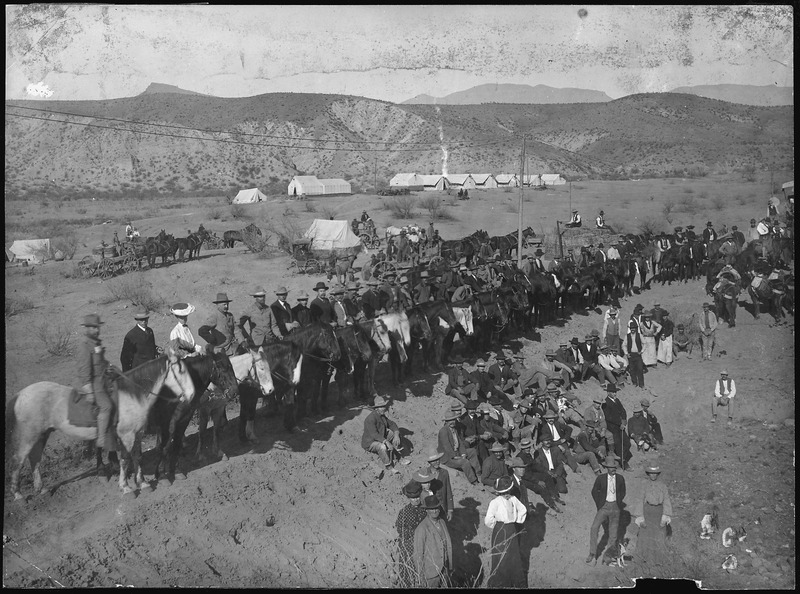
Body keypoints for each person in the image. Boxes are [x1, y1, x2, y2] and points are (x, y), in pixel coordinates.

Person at [77, 313, 115, 456]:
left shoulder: (96, 343)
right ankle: (100, 441)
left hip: (104, 380)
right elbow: (84, 370)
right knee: (106, 406)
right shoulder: (84, 346)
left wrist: (110, 366)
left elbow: (101, 363)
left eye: (97, 327)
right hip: (94, 384)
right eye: (92, 328)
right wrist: (89, 390)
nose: (96, 330)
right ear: (86, 328)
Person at [485, 475, 527, 588]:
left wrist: (517, 520)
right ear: (499, 493)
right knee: (500, 558)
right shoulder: (495, 502)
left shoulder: (513, 499)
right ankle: (499, 584)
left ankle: (514, 583)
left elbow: (523, 509)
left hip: (511, 530)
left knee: (513, 557)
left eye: (508, 491)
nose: (506, 494)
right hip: (500, 532)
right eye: (504, 493)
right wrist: (498, 526)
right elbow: (488, 519)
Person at [587, 456, 627, 565]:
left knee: (613, 533)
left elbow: (623, 492)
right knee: (594, 528)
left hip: (615, 508)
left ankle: (608, 556)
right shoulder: (600, 478)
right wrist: (600, 505)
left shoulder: (620, 478)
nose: (613, 469)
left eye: (615, 467)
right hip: (604, 507)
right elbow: (594, 492)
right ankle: (592, 553)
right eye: (611, 467)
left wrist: (618, 502)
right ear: (606, 468)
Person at [633, 466, 672, 566]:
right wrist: (640, 517)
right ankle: (642, 559)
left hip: (659, 512)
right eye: (651, 473)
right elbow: (639, 500)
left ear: (658, 474)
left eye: (655, 473)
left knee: (659, 535)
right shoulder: (644, 485)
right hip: (647, 512)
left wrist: (665, 516)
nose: (653, 475)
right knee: (645, 535)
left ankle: (659, 561)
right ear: (648, 474)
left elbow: (666, 500)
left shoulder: (663, 486)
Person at [413, 495, 453, 588]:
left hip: (444, 569)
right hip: (430, 573)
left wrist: (449, 565)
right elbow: (418, 553)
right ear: (426, 510)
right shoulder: (422, 528)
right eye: (431, 509)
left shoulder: (442, 522)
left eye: (436, 508)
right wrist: (420, 576)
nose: (434, 511)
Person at [361, 396, 405, 476]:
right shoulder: (370, 419)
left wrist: (396, 434)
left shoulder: (382, 416)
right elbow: (374, 434)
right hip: (370, 442)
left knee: (393, 433)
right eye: (381, 407)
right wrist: (386, 442)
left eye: (384, 406)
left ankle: (399, 457)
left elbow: (392, 424)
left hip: (380, 437)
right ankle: (389, 467)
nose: (383, 408)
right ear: (376, 408)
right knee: (382, 447)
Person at [395, 481, 428, 587]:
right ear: (409, 498)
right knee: (408, 569)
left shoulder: (426, 510)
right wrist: (415, 534)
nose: (416, 500)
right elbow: (400, 529)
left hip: (425, 544)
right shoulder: (404, 512)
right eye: (413, 498)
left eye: (417, 497)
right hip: (408, 545)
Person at [438, 410, 480, 485]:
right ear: (446, 421)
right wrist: (455, 456)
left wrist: (463, 453)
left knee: (472, 451)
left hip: (457, 452)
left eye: (453, 420)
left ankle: (478, 473)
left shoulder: (454, 429)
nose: (452, 422)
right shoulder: (443, 431)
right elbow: (446, 446)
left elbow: (460, 442)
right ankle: (473, 480)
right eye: (450, 420)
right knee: (464, 462)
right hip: (448, 458)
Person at [602, 383, 630, 469]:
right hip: (613, 427)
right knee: (618, 445)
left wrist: (624, 421)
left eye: (615, 392)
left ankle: (621, 459)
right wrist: (620, 423)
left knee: (627, 443)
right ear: (608, 393)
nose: (615, 394)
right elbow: (609, 417)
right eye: (613, 392)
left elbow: (623, 411)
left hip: (620, 426)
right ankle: (623, 464)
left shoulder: (617, 400)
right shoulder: (605, 403)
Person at [423, 448, 454, 522]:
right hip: (429, 508)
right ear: (430, 462)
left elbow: (448, 490)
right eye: (434, 461)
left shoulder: (444, 473)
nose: (437, 462)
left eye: (438, 460)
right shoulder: (425, 473)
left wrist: (450, 509)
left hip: (442, 507)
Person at [624, 320, 645, 389]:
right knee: (632, 369)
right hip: (631, 355)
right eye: (631, 328)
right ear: (630, 329)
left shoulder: (639, 335)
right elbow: (623, 345)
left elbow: (644, 343)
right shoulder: (627, 336)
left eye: (634, 328)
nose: (632, 329)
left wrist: (641, 351)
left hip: (638, 355)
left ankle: (641, 384)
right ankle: (634, 383)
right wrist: (626, 354)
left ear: (636, 328)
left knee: (640, 369)